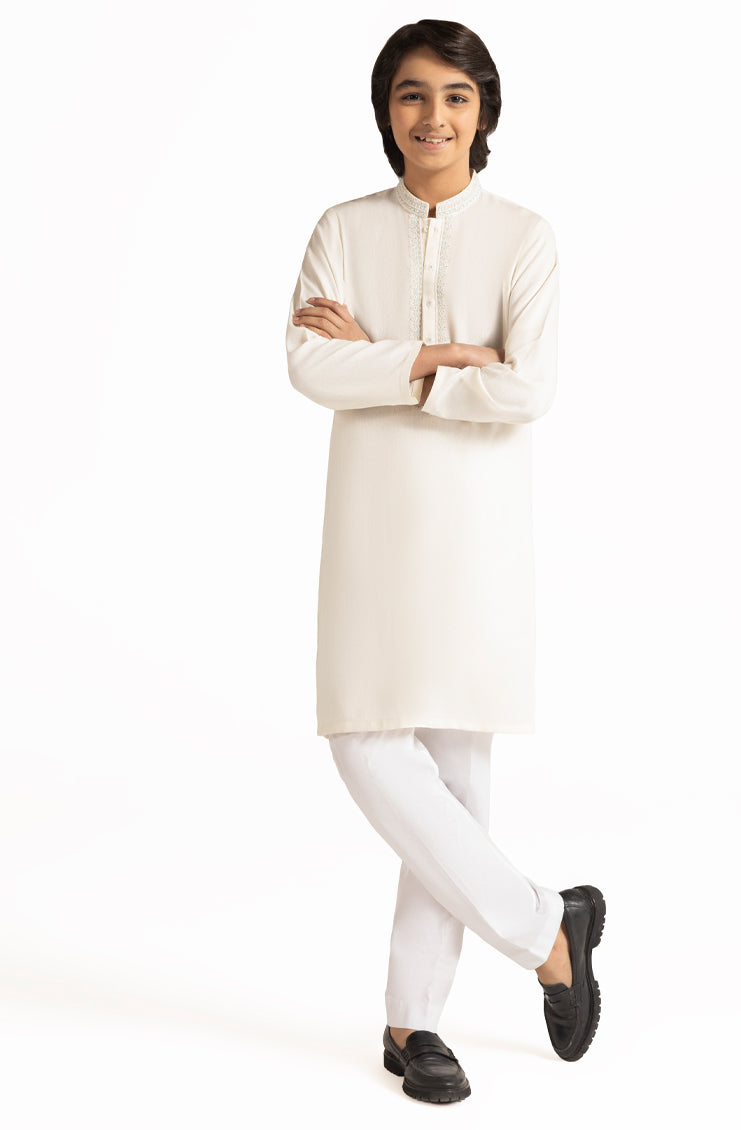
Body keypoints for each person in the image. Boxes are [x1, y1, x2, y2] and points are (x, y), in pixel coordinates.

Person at [285, 19, 605, 1105]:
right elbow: (307, 365)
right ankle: (547, 929)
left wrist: (384, 362)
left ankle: (410, 1021)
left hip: (477, 533)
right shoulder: (341, 228)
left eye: (455, 96)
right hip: (370, 527)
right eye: (413, 94)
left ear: (483, 111)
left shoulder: (523, 237)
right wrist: (444, 354)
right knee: (366, 744)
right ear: (387, 110)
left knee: (458, 784)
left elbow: (528, 387)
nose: (433, 116)